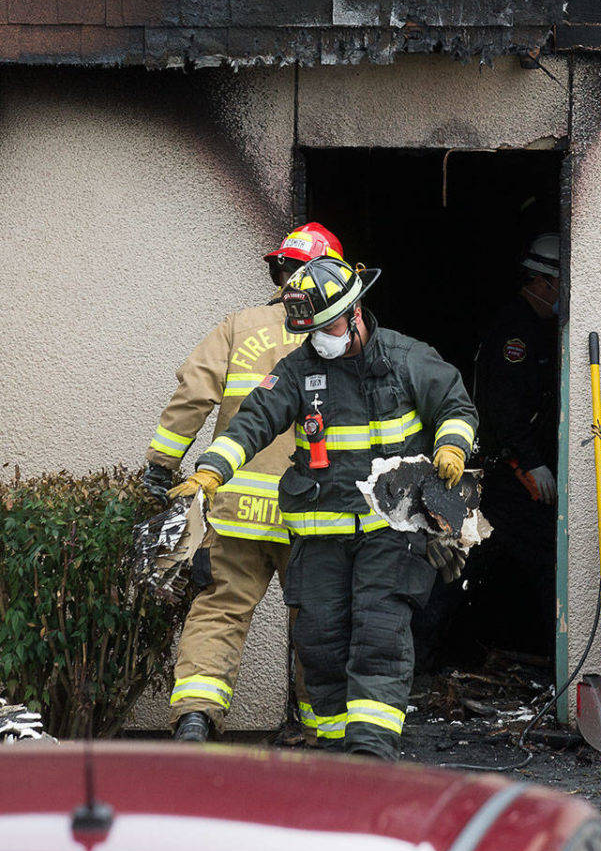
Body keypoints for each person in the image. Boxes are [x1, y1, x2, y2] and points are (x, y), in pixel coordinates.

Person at [170, 255, 478, 761]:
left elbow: (455, 405)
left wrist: (452, 445)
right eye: (310, 331)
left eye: (326, 326)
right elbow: (253, 422)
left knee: (379, 632)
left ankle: (371, 752)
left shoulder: (406, 358)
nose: (320, 339)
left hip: (391, 526)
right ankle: (337, 755)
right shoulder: (298, 370)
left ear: (355, 313)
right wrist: (210, 472)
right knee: (320, 641)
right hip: (320, 531)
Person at [142, 220, 344, 742]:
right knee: (318, 620)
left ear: (282, 271)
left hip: (237, 509)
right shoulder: (340, 335)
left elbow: (192, 396)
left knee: (220, 610)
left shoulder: (239, 326)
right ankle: (324, 733)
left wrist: (160, 467)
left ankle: (195, 716)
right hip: (313, 512)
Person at [471, 232, 560, 655]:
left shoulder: (535, 327)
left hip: (516, 471)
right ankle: (552, 657)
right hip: (509, 474)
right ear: (543, 283)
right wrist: (531, 461)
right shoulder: (517, 332)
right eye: (560, 288)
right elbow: (503, 407)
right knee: (541, 561)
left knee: (482, 561)